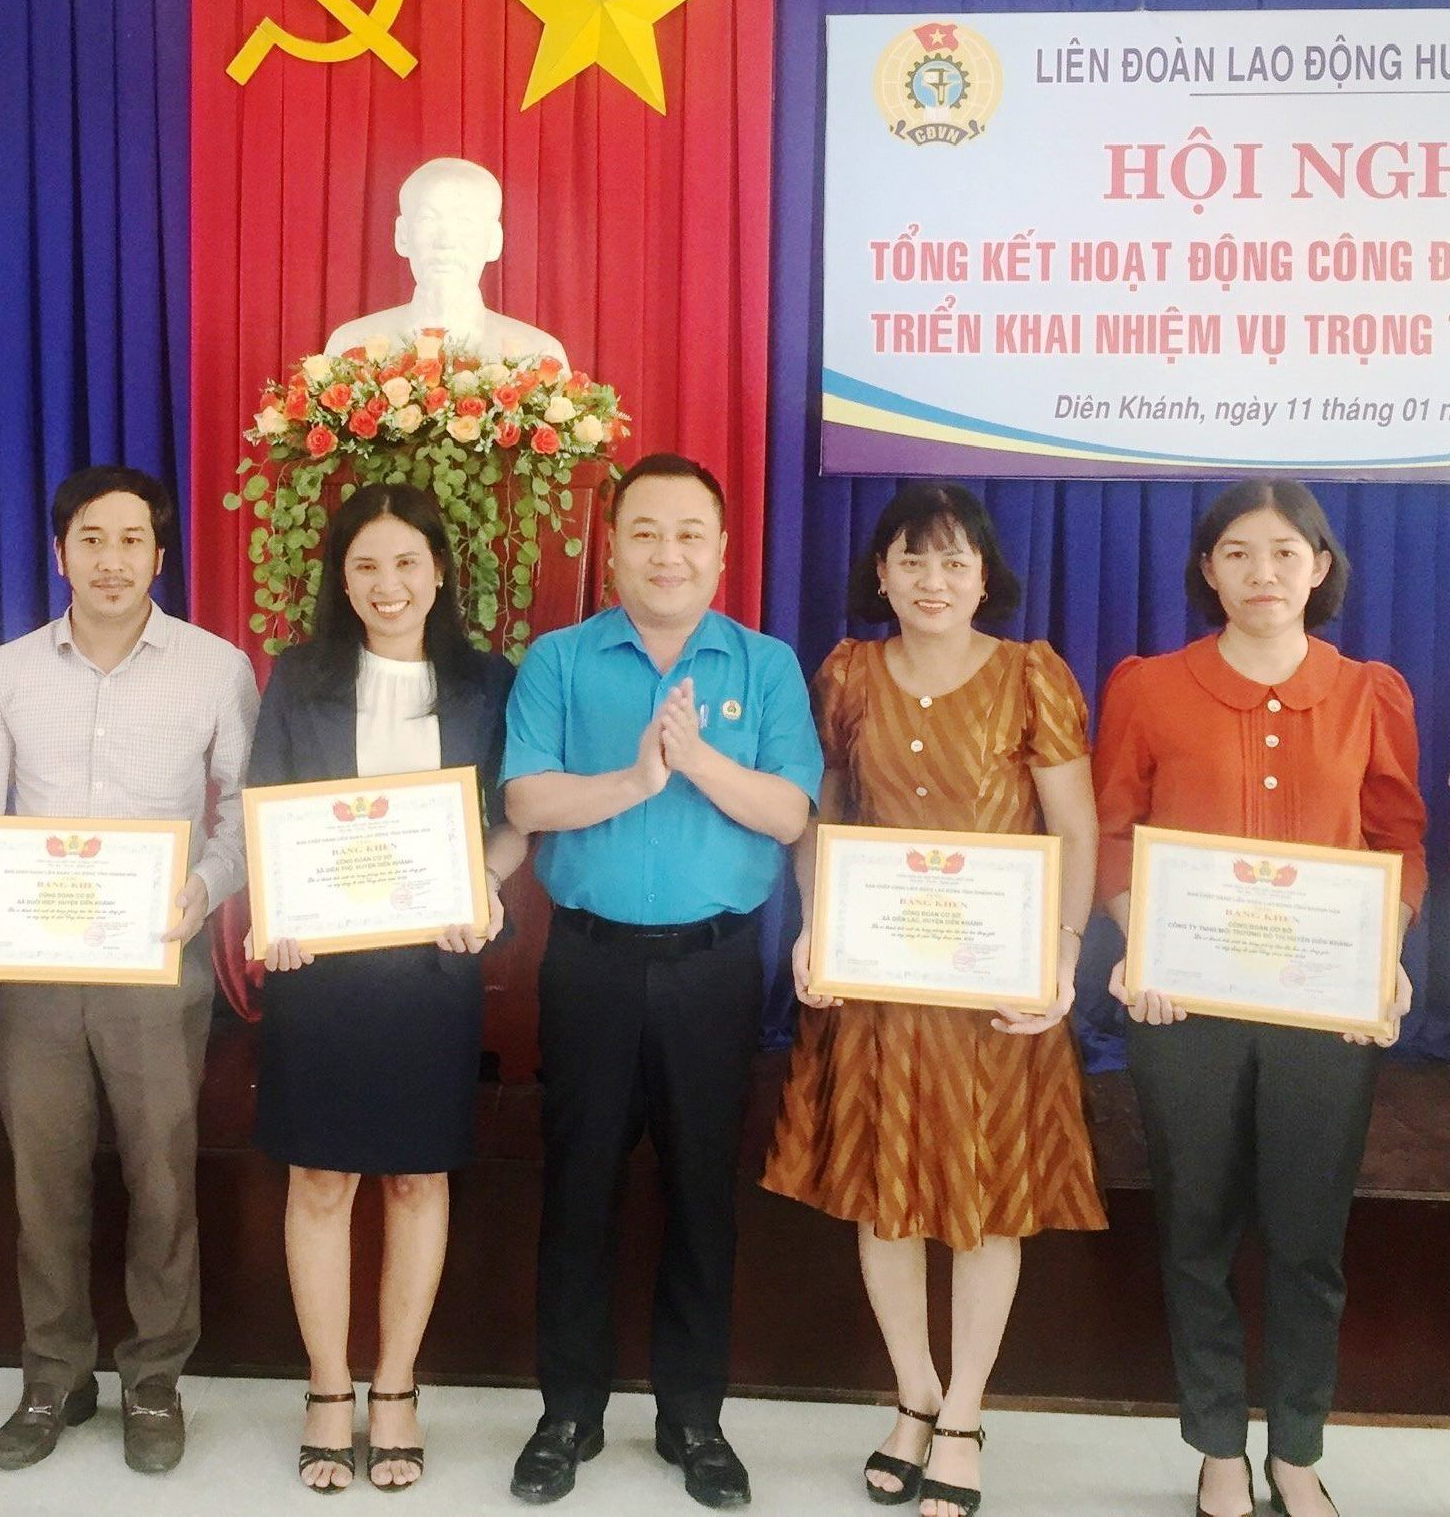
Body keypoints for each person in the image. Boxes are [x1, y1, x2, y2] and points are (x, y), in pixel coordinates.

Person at [762, 483, 1106, 1517]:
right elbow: (823, 815)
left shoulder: (1031, 674)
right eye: (911, 559)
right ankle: (912, 1393)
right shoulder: (846, 672)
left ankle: (963, 1412)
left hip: (994, 995)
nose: (932, 580)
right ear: (880, 573)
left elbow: (1075, 829)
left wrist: (1063, 955)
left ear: (984, 575)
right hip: (879, 983)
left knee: (986, 1202)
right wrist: (816, 923)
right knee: (885, 1194)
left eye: (954, 561)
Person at [1094, 479, 1426, 1517]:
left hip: (1324, 1011)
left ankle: (1296, 1449)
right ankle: (1217, 1449)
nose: (1262, 572)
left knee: (1306, 1238)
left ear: (1319, 567)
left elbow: (1398, 840)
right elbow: (1114, 829)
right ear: (1208, 568)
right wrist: (1138, 939)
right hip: (1182, 1006)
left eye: (1285, 551)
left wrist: (1385, 951)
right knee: (1194, 1230)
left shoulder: (1370, 691)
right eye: (1237, 552)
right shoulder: (1150, 686)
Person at [499, 453, 822, 1510]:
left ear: (722, 551)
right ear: (612, 547)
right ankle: (568, 1411)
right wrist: (637, 777)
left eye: (689, 533)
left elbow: (790, 812)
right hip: (589, 959)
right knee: (577, 1187)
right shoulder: (559, 659)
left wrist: (694, 761)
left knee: (700, 1193)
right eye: (644, 531)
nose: (667, 553)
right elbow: (527, 799)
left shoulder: (764, 664)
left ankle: (693, 1416)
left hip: (714, 967)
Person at [0, 465, 259, 1477]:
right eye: (91, 539)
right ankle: (54, 1375)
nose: (111, 559)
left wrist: (204, 886)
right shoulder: (9, 670)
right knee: (45, 1179)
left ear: (160, 554)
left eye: (131, 540)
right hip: (35, 964)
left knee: (161, 1176)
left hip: (158, 958)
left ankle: (153, 1378)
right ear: (59, 552)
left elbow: (244, 811)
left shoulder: (215, 667)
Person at [247, 483, 529, 1492]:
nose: (387, 583)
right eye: (365, 564)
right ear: (341, 577)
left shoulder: (488, 682)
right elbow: (266, 806)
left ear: (440, 571)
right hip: (319, 966)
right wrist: (276, 907)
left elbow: (516, 815)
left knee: (416, 1177)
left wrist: (481, 882)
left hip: (432, 965)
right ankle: (329, 1385)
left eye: (406, 561)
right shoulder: (299, 676)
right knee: (320, 1179)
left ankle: (398, 1384)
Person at [324, 157, 567, 362]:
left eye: (465, 223)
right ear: (403, 235)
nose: (446, 242)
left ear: (494, 241)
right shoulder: (351, 346)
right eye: (428, 220)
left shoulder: (538, 355)